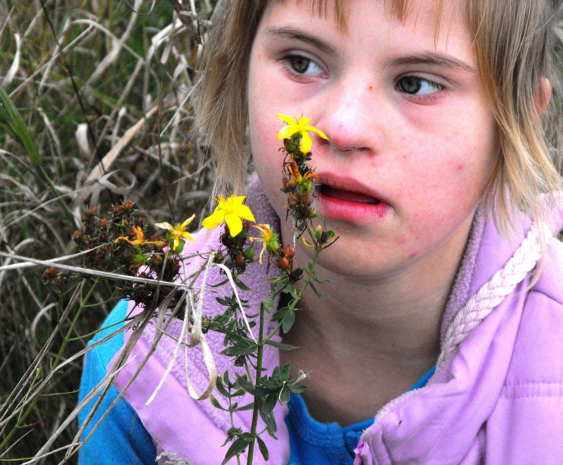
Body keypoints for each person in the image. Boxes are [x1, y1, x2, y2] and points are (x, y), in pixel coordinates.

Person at [78, 0, 563, 464]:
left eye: (415, 83)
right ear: (240, 67)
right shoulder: (148, 357)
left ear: (517, 119)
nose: (345, 128)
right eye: (302, 62)